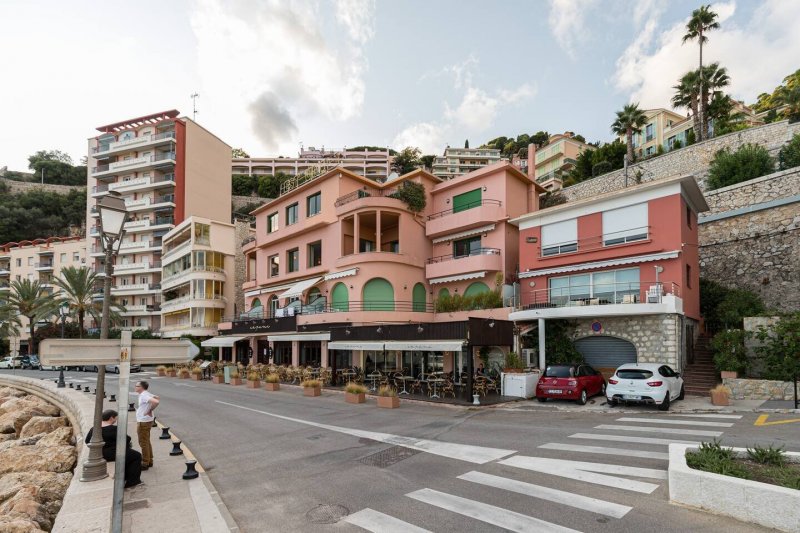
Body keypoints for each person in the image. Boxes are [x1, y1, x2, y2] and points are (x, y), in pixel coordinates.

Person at [85, 410, 142, 488]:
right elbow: (127, 439)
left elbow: (87, 441)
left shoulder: (94, 428)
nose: (116, 420)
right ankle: (133, 481)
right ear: (111, 418)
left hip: (99, 453)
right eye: (115, 418)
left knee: (129, 455)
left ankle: (125, 476)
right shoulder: (113, 429)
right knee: (137, 456)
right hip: (113, 453)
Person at [134, 380, 159, 470]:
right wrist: (149, 408)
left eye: (137, 386)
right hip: (147, 421)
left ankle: (145, 463)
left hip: (143, 422)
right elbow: (157, 397)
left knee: (143, 442)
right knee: (147, 441)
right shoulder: (146, 393)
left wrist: (149, 410)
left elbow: (156, 401)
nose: (135, 387)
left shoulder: (144, 395)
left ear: (141, 387)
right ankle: (150, 460)